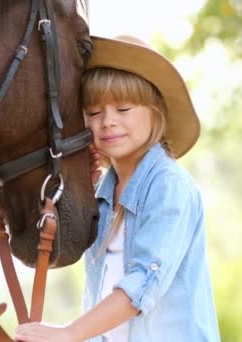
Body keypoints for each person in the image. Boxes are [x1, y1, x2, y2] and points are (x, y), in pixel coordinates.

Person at [14, 36, 220, 342]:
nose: (108, 122)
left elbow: (143, 284)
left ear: (155, 113)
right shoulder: (104, 193)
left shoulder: (168, 186)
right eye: (94, 112)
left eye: (123, 108)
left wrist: (70, 333)